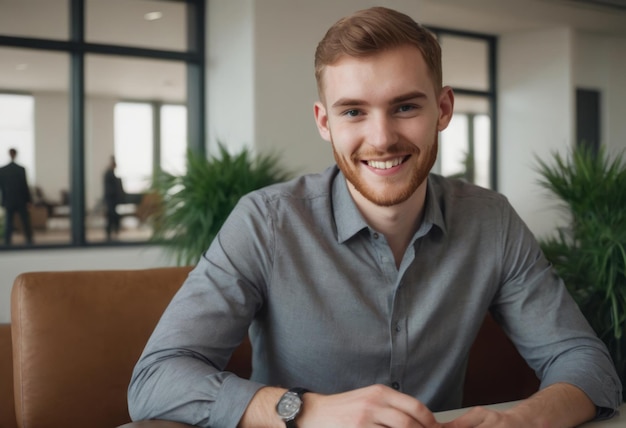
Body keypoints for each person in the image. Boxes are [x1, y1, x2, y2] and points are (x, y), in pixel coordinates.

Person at [128, 7, 622, 428]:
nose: (382, 138)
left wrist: (523, 419)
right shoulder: (266, 222)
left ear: (443, 109)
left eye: (405, 106)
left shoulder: (491, 220)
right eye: (353, 112)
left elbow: (586, 363)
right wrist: (303, 410)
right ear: (325, 122)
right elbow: (157, 378)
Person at [0, 148, 33, 245]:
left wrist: (3, 201)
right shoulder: (20, 169)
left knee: (9, 222)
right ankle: (29, 239)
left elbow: (2, 188)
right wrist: (28, 200)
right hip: (20, 200)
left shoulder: (3, 170)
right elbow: (25, 186)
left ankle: (7, 241)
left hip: (10, 200)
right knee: (24, 221)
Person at [103, 155, 124, 241]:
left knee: (112, 215)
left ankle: (113, 231)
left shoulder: (111, 174)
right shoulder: (109, 174)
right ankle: (111, 232)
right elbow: (110, 188)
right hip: (110, 199)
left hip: (112, 199)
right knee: (111, 215)